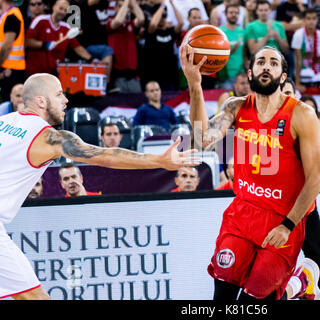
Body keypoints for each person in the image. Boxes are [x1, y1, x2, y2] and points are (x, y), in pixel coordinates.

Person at [0, 73, 199, 300]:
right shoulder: (47, 138)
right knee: (33, 296)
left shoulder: (4, 121)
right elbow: (104, 156)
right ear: (41, 101)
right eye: (58, 94)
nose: (65, 100)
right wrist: (158, 161)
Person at [181, 44, 320, 300]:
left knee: (254, 301)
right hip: (242, 216)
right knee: (222, 297)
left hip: (281, 221)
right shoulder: (236, 107)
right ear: (250, 73)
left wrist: (288, 226)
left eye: (273, 63)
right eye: (260, 62)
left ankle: (298, 283)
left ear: (282, 76)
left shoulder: (302, 114)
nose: (266, 66)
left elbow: (315, 179)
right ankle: (298, 285)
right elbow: (201, 139)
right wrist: (195, 85)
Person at [281, 80, 320, 300]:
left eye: (290, 93)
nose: (288, 97)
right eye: (283, 93)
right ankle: (295, 287)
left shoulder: (310, 125)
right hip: (276, 207)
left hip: (305, 207)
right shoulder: (267, 126)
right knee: (274, 265)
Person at [25, 0, 93, 77]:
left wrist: (91, 60)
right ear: (54, 7)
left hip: (54, 74)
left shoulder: (66, 28)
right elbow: (27, 42)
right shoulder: (40, 20)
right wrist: (44, 44)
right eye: (61, 8)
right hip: (35, 73)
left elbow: (77, 47)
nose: (63, 12)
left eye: (65, 10)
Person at [143, 0, 183, 90]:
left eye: (165, 15)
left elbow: (180, 23)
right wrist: (162, 5)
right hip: (154, 73)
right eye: (161, 15)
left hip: (170, 73)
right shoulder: (151, 31)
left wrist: (172, 4)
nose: (163, 18)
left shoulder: (170, 30)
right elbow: (153, 24)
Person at [107, 0, 145, 93]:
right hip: (118, 75)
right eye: (119, 6)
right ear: (115, 8)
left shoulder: (130, 24)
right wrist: (127, 1)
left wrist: (132, 3)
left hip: (133, 75)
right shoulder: (110, 24)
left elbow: (141, 19)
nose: (122, 8)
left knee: (136, 104)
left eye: (124, 7)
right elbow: (119, 20)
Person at [291, 8, 320, 93]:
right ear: (303, 20)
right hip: (303, 77)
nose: (311, 21)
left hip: (318, 77)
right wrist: (297, 84)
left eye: (314, 18)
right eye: (308, 18)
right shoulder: (298, 35)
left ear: (317, 20)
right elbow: (298, 61)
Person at [0, 0, 26, 102]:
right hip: (8, 67)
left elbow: (6, 46)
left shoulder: (12, 17)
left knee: (10, 103)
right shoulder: (7, 15)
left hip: (11, 70)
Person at [218, 3, 247, 89]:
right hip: (225, 76)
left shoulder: (242, 31)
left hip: (241, 75)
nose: (234, 15)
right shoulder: (220, 31)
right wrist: (231, 50)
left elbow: (244, 53)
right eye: (231, 12)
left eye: (236, 13)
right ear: (225, 14)